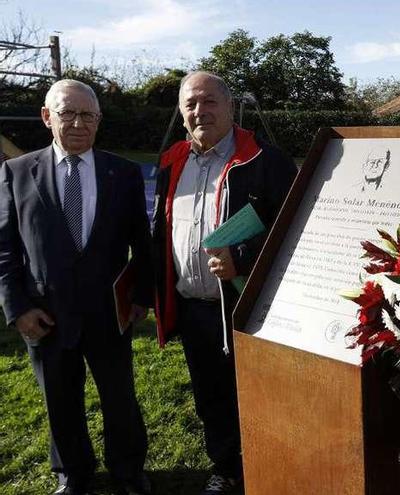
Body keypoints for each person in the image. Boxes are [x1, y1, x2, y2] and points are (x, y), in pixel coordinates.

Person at [0, 80, 152, 495]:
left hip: (109, 312)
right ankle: (73, 472)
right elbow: (6, 248)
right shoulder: (16, 172)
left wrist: (140, 297)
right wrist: (18, 308)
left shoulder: (123, 173)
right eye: (68, 113)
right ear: (47, 117)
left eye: (89, 115)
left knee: (120, 398)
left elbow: (142, 241)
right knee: (59, 400)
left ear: (99, 120)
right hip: (45, 313)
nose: (79, 123)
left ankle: (128, 470)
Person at [151, 71, 297, 494]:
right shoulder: (171, 160)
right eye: (191, 104)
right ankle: (227, 466)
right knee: (211, 396)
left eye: (210, 101)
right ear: (181, 113)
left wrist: (245, 258)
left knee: (260, 393)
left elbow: (294, 229)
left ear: (231, 107)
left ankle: (272, 464)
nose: (201, 111)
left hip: (249, 303)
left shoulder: (267, 160)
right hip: (195, 308)